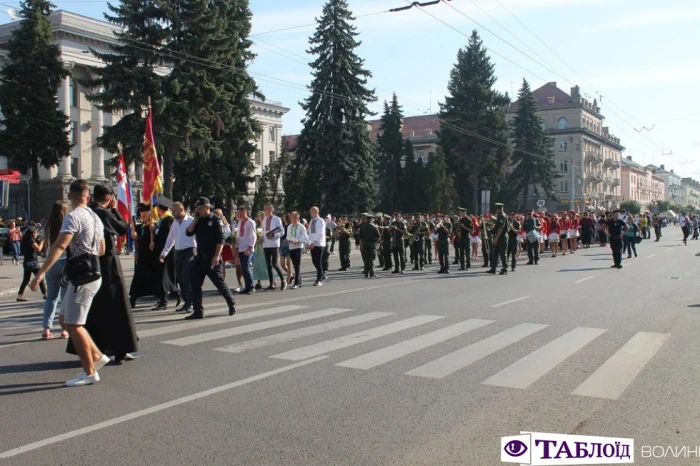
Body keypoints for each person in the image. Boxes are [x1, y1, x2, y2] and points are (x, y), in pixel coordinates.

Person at [30, 179, 109, 387]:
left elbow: (59, 245)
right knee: (65, 319)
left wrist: (40, 273)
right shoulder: (95, 217)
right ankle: (98, 356)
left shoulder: (73, 217)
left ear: (70, 197)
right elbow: (101, 250)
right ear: (88, 197)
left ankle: (90, 372)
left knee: (74, 325)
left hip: (82, 275)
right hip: (91, 273)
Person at [72, 184, 138, 365]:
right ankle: (120, 348)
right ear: (108, 199)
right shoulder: (104, 213)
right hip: (107, 263)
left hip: (88, 264)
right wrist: (115, 210)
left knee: (92, 307)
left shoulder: (85, 212)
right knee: (116, 306)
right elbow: (123, 228)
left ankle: (94, 347)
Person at [185, 197, 236, 319]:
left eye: (200, 208)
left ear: (207, 207)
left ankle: (231, 303)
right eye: (197, 208)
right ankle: (198, 311)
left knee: (218, 283)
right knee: (195, 283)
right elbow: (189, 232)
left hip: (212, 258)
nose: (198, 210)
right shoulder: (199, 221)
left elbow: (221, 240)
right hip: (200, 258)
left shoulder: (215, 221)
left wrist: (217, 256)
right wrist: (195, 220)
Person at [160, 202, 196, 313]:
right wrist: (163, 253)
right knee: (180, 279)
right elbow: (170, 239)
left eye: (174, 211)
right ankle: (186, 302)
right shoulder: (175, 223)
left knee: (187, 278)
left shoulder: (191, 221)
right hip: (178, 252)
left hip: (189, 251)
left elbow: (198, 236)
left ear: (181, 209)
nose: (172, 213)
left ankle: (191, 303)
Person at [41, 201, 69, 340]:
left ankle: (46, 328)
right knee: (65, 297)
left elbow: (46, 245)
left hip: (50, 262)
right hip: (64, 262)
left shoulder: (47, 227)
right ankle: (64, 329)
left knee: (51, 298)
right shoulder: (67, 225)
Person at [129, 204, 158, 308]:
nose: (142, 215)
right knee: (138, 278)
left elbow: (148, 242)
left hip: (151, 257)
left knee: (154, 279)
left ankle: (162, 298)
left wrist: (139, 238)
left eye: (145, 213)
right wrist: (134, 235)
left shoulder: (153, 226)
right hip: (142, 257)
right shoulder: (141, 226)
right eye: (141, 213)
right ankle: (133, 299)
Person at [262, 204, 286, 291]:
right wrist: (261, 238)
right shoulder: (264, 220)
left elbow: (282, 231)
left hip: (274, 244)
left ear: (271, 210)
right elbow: (264, 232)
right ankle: (272, 283)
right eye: (264, 209)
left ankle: (283, 280)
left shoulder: (277, 219)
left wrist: (274, 235)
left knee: (274, 264)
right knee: (268, 264)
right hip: (266, 244)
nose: (265, 210)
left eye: (266, 209)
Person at [236, 206, 257, 294]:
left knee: (246, 267)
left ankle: (251, 287)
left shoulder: (250, 222)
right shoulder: (240, 222)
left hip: (248, 248)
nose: (237, 214)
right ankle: (247, 286)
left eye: (238, 212)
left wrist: (250, 247)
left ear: (243, 212)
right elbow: (238, 235)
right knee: (243, 268)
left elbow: (254, 236)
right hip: (241, 247)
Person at [285, 212, 307, 289]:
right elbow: (288, 236)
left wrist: (298, 241)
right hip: (291, 247)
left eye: (293, 217)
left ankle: (296, 283)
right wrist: (288, 240)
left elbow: (305, 238)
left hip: (298, 247)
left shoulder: (301, 226)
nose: (291, 219)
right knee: (294, 264)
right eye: (290, 217)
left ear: (297, 218)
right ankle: (299, 280)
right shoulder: (289, 226)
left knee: (297, 265)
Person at [307, 206, 327, 286]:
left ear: (316, 212)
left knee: (318, 262)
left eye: (311, 212)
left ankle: (319, 279)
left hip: (319, 244)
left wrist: (314, 242)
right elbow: (310, 233)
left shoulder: (321, 221)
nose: (310, 213)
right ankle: (322, 274)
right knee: (314, 261)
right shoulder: (312, 221)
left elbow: (320, 233)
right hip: (312, 244)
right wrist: (309, 243)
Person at [488, 203, 509, 275]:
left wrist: (496, 238)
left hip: (502, 237)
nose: (496, 210)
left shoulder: (502, 216)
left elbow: (501, 228)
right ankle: (493, 268)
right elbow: (497, 227)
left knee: (503, 253)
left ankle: (505, 268)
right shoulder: (499, 216)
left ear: (499, 209)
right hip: (498, 236)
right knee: (495, 252)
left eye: (497, 208)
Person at [358, 213, 380, 278]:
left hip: (364, 243)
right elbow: (378, 236)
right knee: (371, 259)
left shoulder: (362, 226)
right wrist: (376, 243)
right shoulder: (374, 226)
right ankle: (372, 273)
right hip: (371, 244)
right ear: (371, 219)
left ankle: (366, 274)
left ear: (367, 219)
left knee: (365, 259)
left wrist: (361, 245)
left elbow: (360, 237)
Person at [253, 211, 268, 290]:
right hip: (257, 246)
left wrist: (262, 238)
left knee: (265, 263)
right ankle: (259, 282)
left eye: (260, 216)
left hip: (264, 246)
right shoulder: (257, 225)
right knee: (257, 263)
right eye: (258, 216)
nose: (258, 217)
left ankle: (272, 281)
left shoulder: (265, 225)